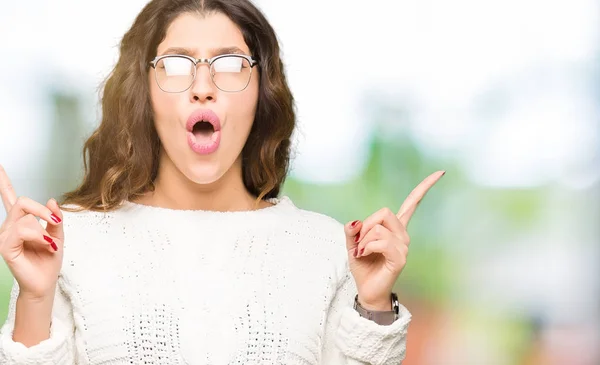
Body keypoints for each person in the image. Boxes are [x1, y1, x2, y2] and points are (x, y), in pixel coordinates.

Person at [0, 0, 443, 363]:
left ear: (261, 90)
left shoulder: (326, 248)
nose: (203, 86)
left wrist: (374, 307)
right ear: (144, 91)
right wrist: (36, 300)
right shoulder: (66, 244)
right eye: (176, 64)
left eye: (229, 63)